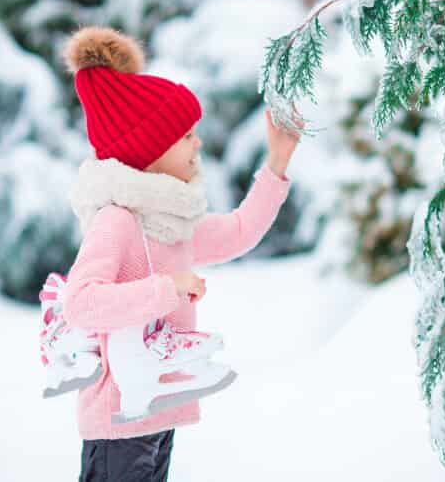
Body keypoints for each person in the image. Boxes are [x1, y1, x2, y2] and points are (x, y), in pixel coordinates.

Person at [60, 25, 301, 482]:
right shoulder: (119, 220)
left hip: (157, 408)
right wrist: (166, 290)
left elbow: (238, 232)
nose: (198, 144)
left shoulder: (168, 219)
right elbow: (81, 303)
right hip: (119, 420)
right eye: (187, 134)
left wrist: (277, 163)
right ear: (150, 148)